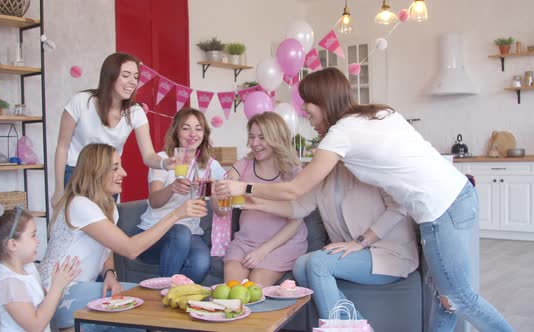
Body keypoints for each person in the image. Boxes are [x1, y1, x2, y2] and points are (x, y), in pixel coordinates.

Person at [216, 67, 513, 332]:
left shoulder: (342, 133)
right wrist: (248, 201)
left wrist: (246, 188)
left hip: (441, 207)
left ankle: (349, 327)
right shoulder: (378, 115)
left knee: (459, 298)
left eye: (309, 110)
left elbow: (294, 189)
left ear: (323, 102)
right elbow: (299, 204)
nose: (307, 117)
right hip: (451, 199)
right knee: (446, 298)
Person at [40, 143, 207, 330]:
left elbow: (107, 247)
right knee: (149, 303)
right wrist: (177, 214)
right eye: (115, 168)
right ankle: (73, 326)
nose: (124, 173)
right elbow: (130, 249)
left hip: (79, 288)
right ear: (96, 172)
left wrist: (109, 273)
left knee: (147, 305)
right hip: (58, 294)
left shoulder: (108, 207)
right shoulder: (80, 205)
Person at [245, 163, 419, 319]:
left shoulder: (371, 165)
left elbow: (399, 207)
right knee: (300, 265)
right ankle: (355, 326)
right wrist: (258, 204)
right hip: (355, 253)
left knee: (318, 262)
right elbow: (298, 207)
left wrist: (360, 242)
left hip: (389, 253)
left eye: (320, 129)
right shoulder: (323, 174)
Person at [52, 52, 171, 206]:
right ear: (110, 76)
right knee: (75, 226)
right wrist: (59, 190)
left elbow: (148, 155)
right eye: (126, 75)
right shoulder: (80, 102)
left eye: (135, 77)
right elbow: (62, 147)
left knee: (106, 227)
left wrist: (165, 163)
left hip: (109, 178)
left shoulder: (135, 112)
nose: (132, 82)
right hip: (76, 174)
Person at [136, 108, 225, 283]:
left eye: (198, 129)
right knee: (181, 232)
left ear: (204, 133)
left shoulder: (209, 165)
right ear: (176, 131)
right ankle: (162, 292)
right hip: (155, 232)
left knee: (200, 263)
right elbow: (154, 201)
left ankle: (175, 295)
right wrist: (172, 188)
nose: (193, 134)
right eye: (186, 128)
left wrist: (216, 188)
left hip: (191, 233)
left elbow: (230, 185)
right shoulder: (163, 159)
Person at [221, 112, 307, 287]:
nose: (254, 143)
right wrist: (221, 191)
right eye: (251, 137)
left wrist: (262, 251)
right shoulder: (242, 165)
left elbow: (295, 221)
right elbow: (223, 201)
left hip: (282, 244)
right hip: (245, 241)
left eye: (262, 137)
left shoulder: (292, 172)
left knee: (256, 285)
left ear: (276, 138)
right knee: (231, 290)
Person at [0, 204, 80, 332]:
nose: (38, 241)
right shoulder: (8, 283)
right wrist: (56, 287)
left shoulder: (28, 268)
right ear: (13, 244)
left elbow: (45, 306)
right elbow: (35, 325)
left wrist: (60, 283)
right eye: (33, 235)